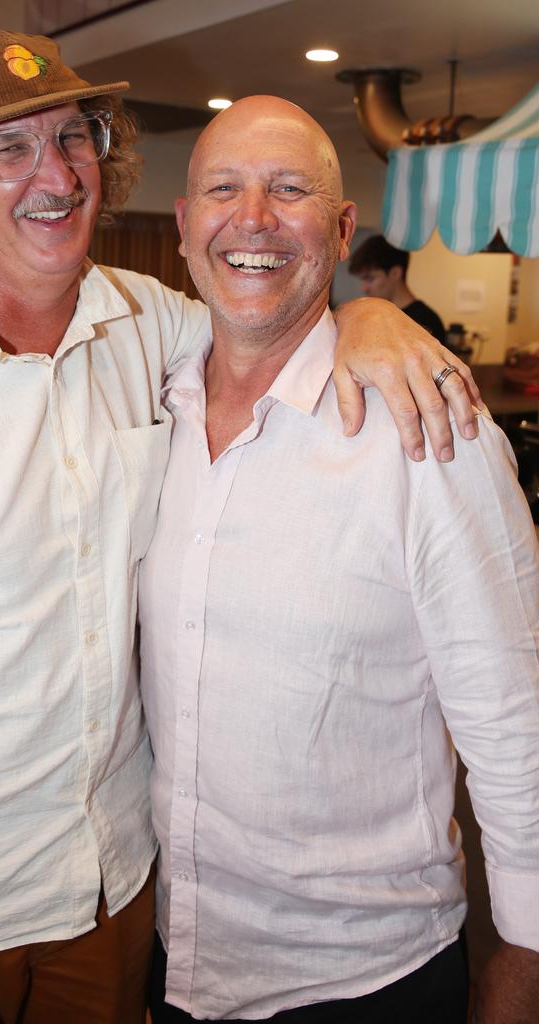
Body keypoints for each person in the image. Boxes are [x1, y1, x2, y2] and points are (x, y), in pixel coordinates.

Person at [0, 30, 480, 1024]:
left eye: (74, 135)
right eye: (4, 149)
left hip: (118, 894)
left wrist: (372, 315)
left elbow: (276, 313)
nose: (55, 173)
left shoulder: (151, 324)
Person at [139, 96, 539, 1023]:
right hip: (178, 947)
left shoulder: (430, 434)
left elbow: (516, 730)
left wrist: (519, 974)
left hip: (363, 975)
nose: (253, 220)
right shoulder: (146, 397)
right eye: (223, 190)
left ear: (343, 227)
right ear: (186, 225)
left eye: (290, 191)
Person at [349, 233, 447, 342]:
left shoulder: (426, 322)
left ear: (395, 273)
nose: (364, 288)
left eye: (370, 279)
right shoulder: (377, 316)